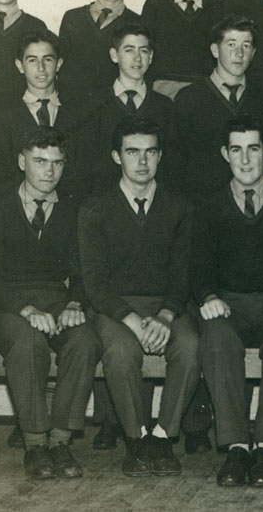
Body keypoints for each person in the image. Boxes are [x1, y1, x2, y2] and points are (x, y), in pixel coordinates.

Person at [78, 116, 199, 477]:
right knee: (119, 352)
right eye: (133, 152)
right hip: (115, 309)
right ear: (117, 157)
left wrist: (164, 316)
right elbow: (95, 283)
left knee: (190, 347)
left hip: (167, 306)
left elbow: (183, 275)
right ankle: (136, 438)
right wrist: (131, 320)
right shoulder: (94, 209)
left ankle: (162, 437)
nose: (142, 161)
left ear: (160, 156)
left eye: (150, 152)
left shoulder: (180, 207)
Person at [193, 116, 263, 487]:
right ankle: (236, 447)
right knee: (215, 337)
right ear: (225, 154)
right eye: (237, 150)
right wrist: (208, 297)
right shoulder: (209, 204)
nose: (245, 160)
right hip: (228, 303)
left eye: (254, 149)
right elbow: (196, 265)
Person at [0, 127, 99, 480]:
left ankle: (60, 441)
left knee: (85, 340)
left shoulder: (75, 208)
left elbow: (85, 268)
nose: (49, 171)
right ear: (22, 162)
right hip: (5, 301)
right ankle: (35, 444)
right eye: (40, 161)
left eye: (57, 163)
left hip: (55, 297)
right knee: (27, 341)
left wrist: (74, 302)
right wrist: (26, 310)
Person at [174, 15, 263, 199]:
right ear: (215, 50)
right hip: (201, 201)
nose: (239, 53)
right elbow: (177, 161)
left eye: (246, 46)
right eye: (231, 44)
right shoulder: (189, 98)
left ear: (254, 53)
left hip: (252, 202)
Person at [0, 29, 86, 199]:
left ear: (59, 64)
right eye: (32, 60)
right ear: (19, 65)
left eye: (48, 59)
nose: (41, 68)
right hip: (18, 212)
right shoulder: (5, 117)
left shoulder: (78, 113)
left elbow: (85, 173)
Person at [82, 21, 178, 195]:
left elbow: (170, 166)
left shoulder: (164, 106)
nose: (137, 58)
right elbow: (88, 164)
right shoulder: (94, 104)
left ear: (151, 56)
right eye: (129, 50)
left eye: (143, 50)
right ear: (114, 55)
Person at [140, 0, 226, 99]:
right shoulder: (156, 3)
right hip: (164, 89)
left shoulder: (219, 6)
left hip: (206, 89)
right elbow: (144, 49)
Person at [57, 0, 140, 101]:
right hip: (74, 106)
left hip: (114, 108)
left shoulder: (137, 23)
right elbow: (62, 68)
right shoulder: (72, 18)